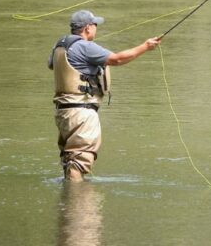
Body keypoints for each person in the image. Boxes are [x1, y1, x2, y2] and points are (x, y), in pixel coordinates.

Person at [48, 10, 161, 182]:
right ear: (87, 28)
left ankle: (69, 198)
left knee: (70, 158)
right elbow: (117, 59)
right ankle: (77, 201)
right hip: (81, 113)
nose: (96, 28)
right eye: (95, 25)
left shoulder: (60, 46)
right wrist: (145, 46)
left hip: (63, 113)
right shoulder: (84, 46)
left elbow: (52, 66)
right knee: (80, 159)